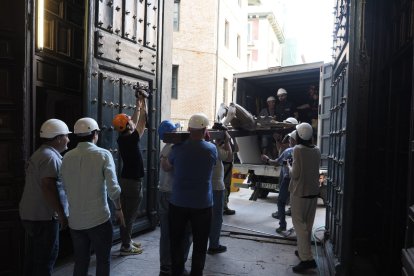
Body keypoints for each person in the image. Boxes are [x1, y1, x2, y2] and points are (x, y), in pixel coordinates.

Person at [61, 117, 125, 276]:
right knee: (103, 261)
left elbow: (64, 186)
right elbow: (113, 189)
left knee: (81, 262)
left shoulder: (66, 157)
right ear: (95, 134)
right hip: (99, 220)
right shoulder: (103, 155)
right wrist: (118, 209)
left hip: (75, 221)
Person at [161, 113, 217, 276]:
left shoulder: (177, 149)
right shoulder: (211, 149)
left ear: (189, 129)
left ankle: (176, 272)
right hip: (202, 205)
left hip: (178, 203)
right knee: (200, 243)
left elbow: (166, 167)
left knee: (176, 241)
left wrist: (164, 157)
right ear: (205, 130)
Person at [19, 119, 71, 276]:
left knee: (34, 258)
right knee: (45, 260)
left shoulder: (40, 153)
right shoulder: (51, 158)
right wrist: (61, 214)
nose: (68, 140)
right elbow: (48, 186)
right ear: (58, 138)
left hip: (32, 214)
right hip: (45, 217)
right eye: (66, 136)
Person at [112, 95, 147, 256]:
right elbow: (141, 123)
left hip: (125, 180)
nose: (131, 122)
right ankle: (126, 246)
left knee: (125, 213)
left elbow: (132, 122)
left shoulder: (122, 138)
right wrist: (144, 103)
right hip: (133, 183)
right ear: (127, 126)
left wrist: (137, 105)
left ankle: (127, 240)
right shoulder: (133, 139)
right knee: (130, 215)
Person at [158, 120, 193, 276]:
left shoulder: (166, 147)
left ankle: (165, 265)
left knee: (166, 232)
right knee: (185, 231)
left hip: (163, 192)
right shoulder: (174, 148)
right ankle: (179, 264)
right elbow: (168, 167)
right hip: (175, 194)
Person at [287, 122, 321, 273]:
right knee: (307, 225)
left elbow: (295, 174)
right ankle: (303, 251)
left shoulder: (297, 150)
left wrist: (288, 166)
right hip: (313, 193)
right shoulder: (317, 150)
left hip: (300, 193)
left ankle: (307, 259)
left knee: (299, 226)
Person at [262, 130, 297, 234]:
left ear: (295, 140)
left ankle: (282, 226)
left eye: (291, 138)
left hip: (287, 179)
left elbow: (276, 162)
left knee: (281, 202)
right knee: (296, 204)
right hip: (299, 180)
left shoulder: (288, 151)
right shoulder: (307, 151)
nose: (289, 140)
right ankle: (297, 228)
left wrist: (267, 159)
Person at [207, 131, 233, 254]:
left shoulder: (203, 147)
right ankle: (214, 245)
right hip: (217, 187)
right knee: (217, 217)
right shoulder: (214, 148)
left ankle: (206, 243)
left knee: (204, 216)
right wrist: (227, 141)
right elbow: (229, 156)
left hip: (205, 187)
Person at [223, 136, 238, 215]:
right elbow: (229, 156)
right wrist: (227, 141)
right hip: (225, 167)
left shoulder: (228, 143)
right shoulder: (221, 144)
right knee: (225, 187)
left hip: (228, 166)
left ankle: (225, 206)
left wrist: (234, 139)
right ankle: (224, 207)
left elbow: (237, 149)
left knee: (227, 187)